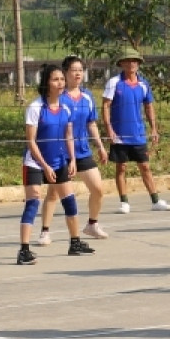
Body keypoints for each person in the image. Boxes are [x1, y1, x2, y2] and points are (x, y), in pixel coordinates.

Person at [16, 64, 95, 264]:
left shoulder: (65, 108)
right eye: (55, 79)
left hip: (58, 161)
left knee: (69, 200)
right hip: (35, 162)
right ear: (46, 83)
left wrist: (72, 159)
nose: (60, 83)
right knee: (33, 201)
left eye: (62, 79)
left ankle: (75, 242)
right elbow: (31, 141)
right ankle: (24, 251)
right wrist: (45, 166)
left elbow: (68, 136)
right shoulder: (36, 107)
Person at [39, 56, 109, 245]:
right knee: (53, 194)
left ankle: (92, 224)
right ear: (65, 73)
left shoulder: (87, 96)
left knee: (98, 189)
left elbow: (91, 123)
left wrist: (100, 146)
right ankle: (45, 231)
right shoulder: (58, 98)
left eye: (80, 70)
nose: (78, 73)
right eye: (74, 70)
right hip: (61, 153)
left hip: (82, 151)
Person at [102, 48, 170, 213]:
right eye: (128, 60)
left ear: (138, 63)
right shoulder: (114, 83)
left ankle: (155, 200)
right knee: (121, 167)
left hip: (138, 134)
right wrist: (109, 129)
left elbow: (149, 106)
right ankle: (124, 202)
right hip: (119, 134)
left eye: (135, 61)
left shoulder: (143, 84)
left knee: (145, 166)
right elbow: (105, 106)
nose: (131, 63)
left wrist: (154, 128)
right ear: (122, 63)